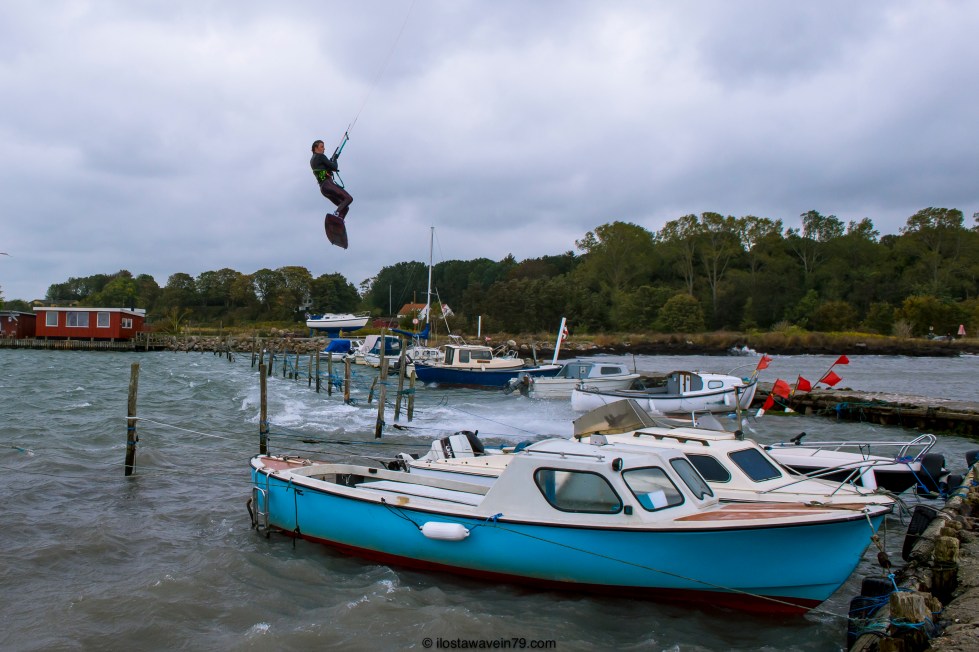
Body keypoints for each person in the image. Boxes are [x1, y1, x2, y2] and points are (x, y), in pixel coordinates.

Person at [310, 139, 353, 220]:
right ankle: (336, 214)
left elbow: (324, 168)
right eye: (322, 147)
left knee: (344, 207)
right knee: (348, 199)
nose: (324, 148)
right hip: (328, 184)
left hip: (323, 189)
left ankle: (339, 221)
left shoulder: (312, 160)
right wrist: (335, 160)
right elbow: (334, 167)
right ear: (316, 148)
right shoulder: (320, 156)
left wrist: (330, 163)